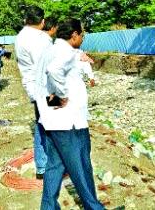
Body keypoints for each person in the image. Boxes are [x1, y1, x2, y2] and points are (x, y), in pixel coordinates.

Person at [36, 19, 104, 210]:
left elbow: (41, 84)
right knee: (81, 166)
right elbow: (54, 71)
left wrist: (54, 102)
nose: (82, 38)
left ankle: (48, 207)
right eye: (82, 34)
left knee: (55, 166)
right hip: (69, 123)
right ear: (74, 34)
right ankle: (94, 207)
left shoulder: (50, 50)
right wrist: (63, 97)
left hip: (52, 120)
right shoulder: (64, 51)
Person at [15, 6, 56, 179]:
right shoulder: (41, 39)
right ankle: (48, 165)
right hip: (46, 88)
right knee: (52, 126)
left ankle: (42, 166)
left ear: (25, 20)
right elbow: (49, 66)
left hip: (33, 86)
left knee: (42, 123)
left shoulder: (20, 36)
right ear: (42, 21)